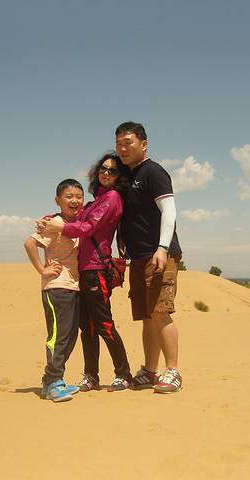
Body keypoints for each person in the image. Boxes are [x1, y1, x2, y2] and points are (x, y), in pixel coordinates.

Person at [38, 153, 133, 392]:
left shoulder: (112, 198)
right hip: (83, 272)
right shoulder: (94, 202)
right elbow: (73, 218)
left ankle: (123, 374)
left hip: (96, 270)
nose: (106, 173)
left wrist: (61, 226)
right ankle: (91, 375)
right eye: (103, 168)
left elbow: (88, 227)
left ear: (120, 176)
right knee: (88, 328)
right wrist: (50, 219)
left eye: (113, 170)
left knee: (104, 325)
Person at [115, 121, 183, 393]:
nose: (123, 148)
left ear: (143, 144)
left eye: (128, 143)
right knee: (147, 316)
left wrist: (162, 247)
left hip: (158, 255)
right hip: (139, 257)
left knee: (160, 311)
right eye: (119, 144)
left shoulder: (153, 171)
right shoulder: (128, 176)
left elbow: (169, 210)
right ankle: (150, 370)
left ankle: (173, 371)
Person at [23, 179, 84, 402]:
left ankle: (50, 381)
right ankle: (54, 382)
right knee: (59, 336)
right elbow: (30, 244)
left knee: (70, 336)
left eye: (79, 196)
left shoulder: (76, 222)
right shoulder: (54, 223)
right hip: (57, 287)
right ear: (58, 200)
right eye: (69, 196)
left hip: (73, 286)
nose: (74, 200)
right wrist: (42, 269)